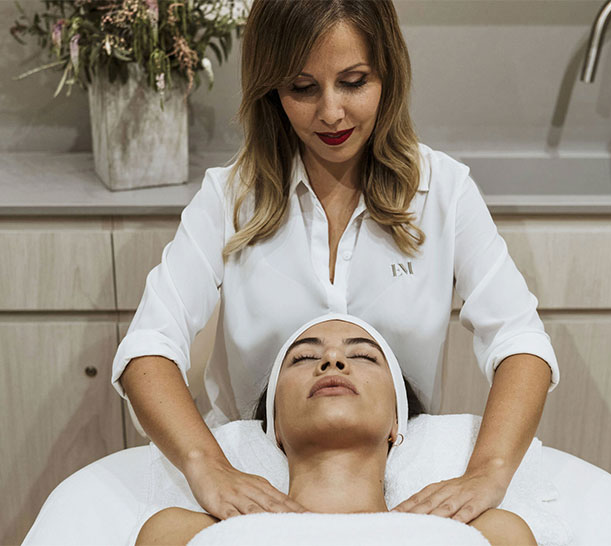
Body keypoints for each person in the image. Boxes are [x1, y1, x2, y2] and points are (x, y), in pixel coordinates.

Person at [114, 0, 560, 529]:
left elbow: (519, 340)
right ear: (271, 89)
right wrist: (205, 464)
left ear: (388, 74)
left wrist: (490, 470)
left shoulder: (443, 192)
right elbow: (148, 346)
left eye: (353, 82)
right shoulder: (230, 197)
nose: (330, 112)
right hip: (252, 484)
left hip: (389, 478)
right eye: (302, 88)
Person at [135, 315, 537, 546]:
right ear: (275, 428)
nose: (332, 360)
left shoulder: (492, 536)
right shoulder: (178, 535)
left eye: (362, 355)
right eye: (303, 358)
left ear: (396, 423)